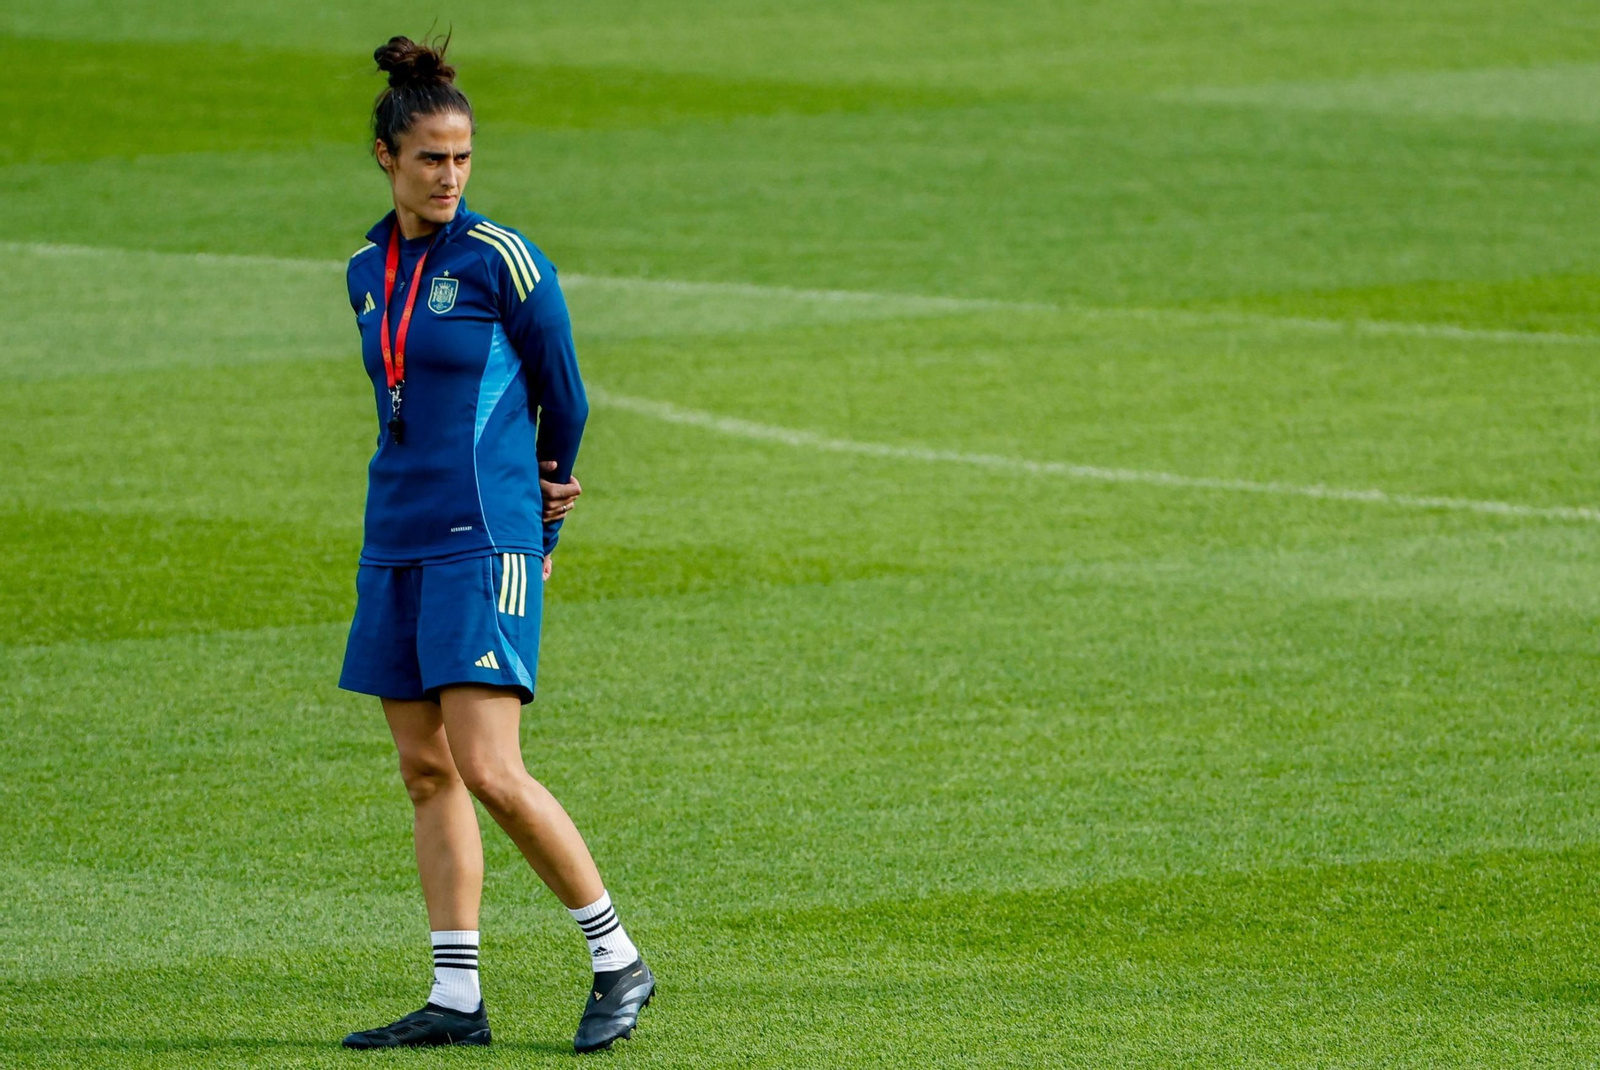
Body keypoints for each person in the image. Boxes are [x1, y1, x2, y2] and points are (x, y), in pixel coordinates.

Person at [334, 33, 654, 1054]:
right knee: (423, 767)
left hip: (486, 537)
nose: (450, 175)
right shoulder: (363, 270)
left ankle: (617, 958)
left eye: (463, 156)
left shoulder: (500, 258)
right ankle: (457, 993)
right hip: (397, 538)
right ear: (386, 156)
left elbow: (567, 395)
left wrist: (546, 510)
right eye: (431, 157)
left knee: (489, 765)